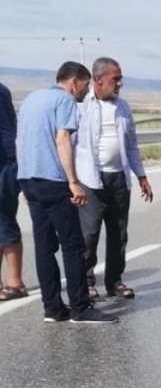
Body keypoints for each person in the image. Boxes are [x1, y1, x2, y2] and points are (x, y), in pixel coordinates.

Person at [17, 62, 117, 324]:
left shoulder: (31, 99)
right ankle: (80, 308)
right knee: (73, 246)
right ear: (74, 82)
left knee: (44, 246)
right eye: (85, 85)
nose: (86, 91)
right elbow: (63, 139)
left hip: (30, 179)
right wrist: (73, 181)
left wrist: (25, 179)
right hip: (53, 180)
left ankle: (52, 308)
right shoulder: (65, 101)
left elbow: (22, 140)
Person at [76, 57, 152, 300]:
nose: (120, 84)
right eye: (115, 79)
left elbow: (131, 145)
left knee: (119, 233)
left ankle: (114, 281)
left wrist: (141, 175)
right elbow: (70, 143)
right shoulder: (81, 106)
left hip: (119, 178)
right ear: (98, 79)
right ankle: (87, 281)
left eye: (120, 78)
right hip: (91, 180)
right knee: (89, 234)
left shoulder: (123, 106)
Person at [0, 80, 26, 301]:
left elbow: (7, 134)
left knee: (4, 220)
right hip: (7, 162)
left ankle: (15, 283)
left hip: (4, 164)